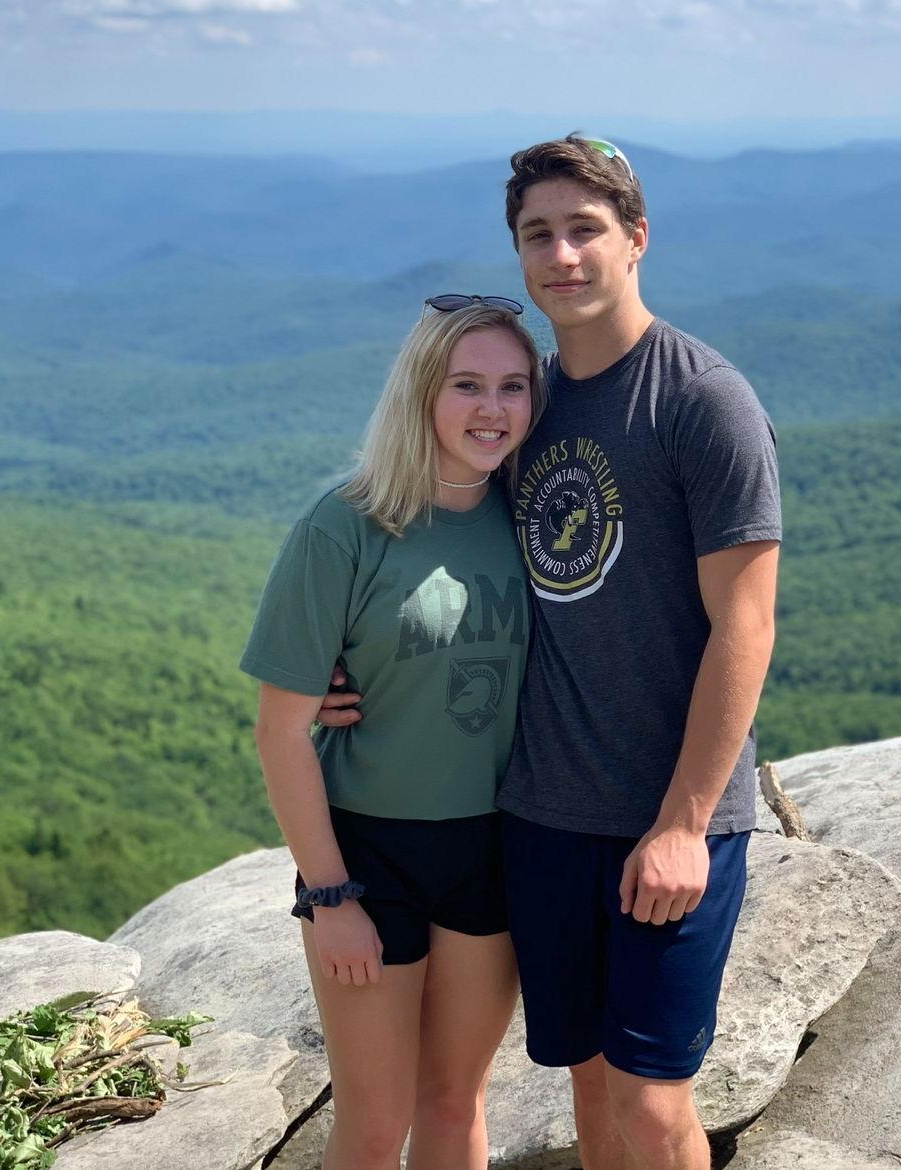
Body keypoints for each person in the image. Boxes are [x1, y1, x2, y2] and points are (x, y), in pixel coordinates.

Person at [322, 136, 781, 1170]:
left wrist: (684, 823)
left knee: (654, 1103)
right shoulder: (523, 405)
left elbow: (746, 624)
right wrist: (354, 676)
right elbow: (438, 554)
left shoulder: (702, 402)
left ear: (637, 239)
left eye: (586, 229)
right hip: (541, 819)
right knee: (586, 1081)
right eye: (539, 234)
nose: (561, 254)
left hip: (667, 823)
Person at [241, 298, 546, 1170]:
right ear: (421, 391)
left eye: (514, 387)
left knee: (455, 1104)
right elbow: (282, 733)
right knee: (375, 1127)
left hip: (492, 844)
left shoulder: (530, 522)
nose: (493, 409)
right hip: (369, 855)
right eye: (467, 385)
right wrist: (330, 896)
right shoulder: (344, 525)